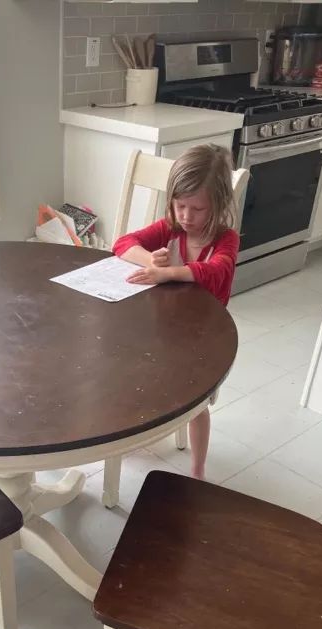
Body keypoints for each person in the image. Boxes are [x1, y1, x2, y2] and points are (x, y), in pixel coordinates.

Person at [112, 144, 240, 481]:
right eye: (179, 205)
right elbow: (122, 243)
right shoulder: (171, 229)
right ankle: (132, 432)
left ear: (219, 205)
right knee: (128, 371)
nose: (185, 216)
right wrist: (149, 260)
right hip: (163, 331)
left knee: (196, 406)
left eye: (197, 209)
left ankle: (197, 469)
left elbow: (217, 270)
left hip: (204, 340)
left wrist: (168, 273)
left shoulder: (226, 239)